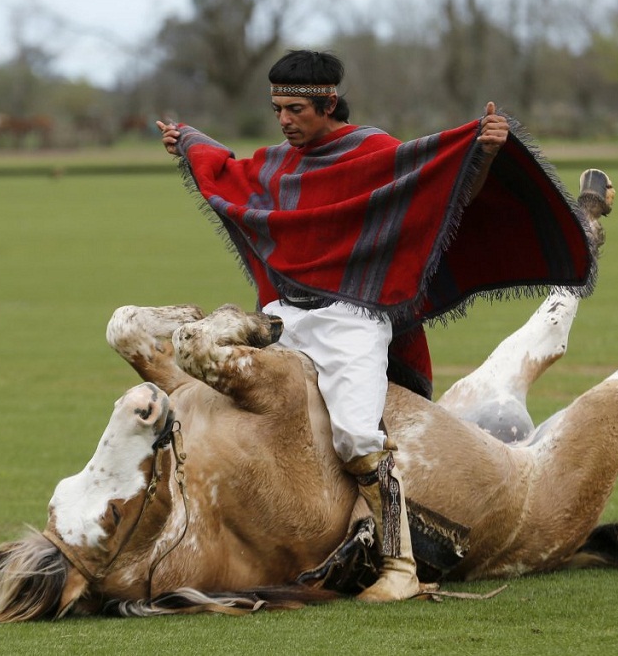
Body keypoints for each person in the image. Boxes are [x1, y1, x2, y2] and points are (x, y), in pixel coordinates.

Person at [157, 50, 594, 602]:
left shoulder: (375, 152)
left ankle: (401, 566)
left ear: (329, 102)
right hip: (284, 316)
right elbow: (233, 175)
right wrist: (191, 141)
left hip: (352, 320)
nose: (285, 120)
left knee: (357, 439)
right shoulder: (280, 163)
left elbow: (445, 192)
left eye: (296, 109)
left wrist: (480, 154)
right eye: (277, 110)